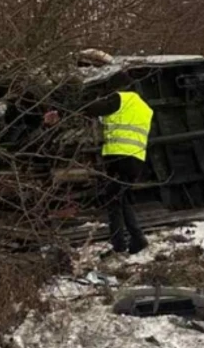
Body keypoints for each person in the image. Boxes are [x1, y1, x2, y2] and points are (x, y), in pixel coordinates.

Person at [44, 88, 154, 254]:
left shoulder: (122, 98)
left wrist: (61, 112)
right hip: (136, 159)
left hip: (120, 158)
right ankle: (137, 239)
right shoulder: (143, 107)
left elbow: (93, 108)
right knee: (120, 199)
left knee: (113, 201)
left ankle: (120, 246)